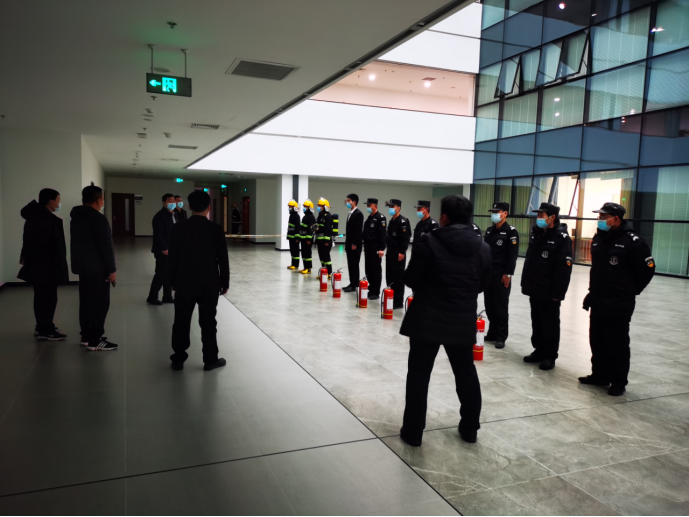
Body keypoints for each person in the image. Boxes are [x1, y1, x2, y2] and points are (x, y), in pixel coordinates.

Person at [400, 195, 491, 447]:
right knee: (465, 373)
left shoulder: (428, 242)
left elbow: (411, 279)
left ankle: (413, 432)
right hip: (461, 320)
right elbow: (482, 284)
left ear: (444, 217)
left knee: (419, 375)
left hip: (426, 320)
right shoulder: (483, 248)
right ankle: (470, 429)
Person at [580, 203, 655, 397]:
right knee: (597, 340)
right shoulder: (600, 237)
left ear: (616, 218)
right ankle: (600, 375)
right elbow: (598, 270)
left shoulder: (632, 241)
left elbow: (647, 270)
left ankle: (618, 382)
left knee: (617, 344)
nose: (600, 220)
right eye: (600, 217)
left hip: (618, 303)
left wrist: (629, 291)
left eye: (604, 217)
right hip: (598, 299)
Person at [169, 190, 230, 372]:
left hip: (184, 283)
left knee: (181, 321)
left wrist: (171, 281)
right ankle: (210, 360)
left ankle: (178, 359)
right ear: (208, 207)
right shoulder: (216, 229)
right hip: (209, 284)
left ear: (189, 206)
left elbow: (172, 258)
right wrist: (224, 282)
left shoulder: (178, 228)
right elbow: (223, 259)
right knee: (208, 322)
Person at [521, 203, 573, 371]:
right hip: (535, 287)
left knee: (550, 323)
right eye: (538, 215)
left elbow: (563, 269)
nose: (539, 218)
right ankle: (539, 350)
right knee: (537, 321)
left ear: (552, 217)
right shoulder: (537, 234)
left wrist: (558, 292)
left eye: (542, 215)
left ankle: (550, 355)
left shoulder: (561, 238)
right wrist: (526, 283)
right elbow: (530, 260)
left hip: (550, 290)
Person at [70, 184, 118, 351]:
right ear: (98, 200)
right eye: (103, 199)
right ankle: (95, 339)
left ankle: (86, 335)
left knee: (86, 302)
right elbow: (106, 246)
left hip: (83, 267)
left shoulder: (77, 217)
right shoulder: (98, 219)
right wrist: (112, 270)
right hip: (97, 269)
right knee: (99, 303)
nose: (103, 202)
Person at [18, 188, 69, 341]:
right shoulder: (45, 220)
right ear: (51, 201)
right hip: (46, 266)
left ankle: (43, 325)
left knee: (42, 297)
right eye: (58, 200)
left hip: (40, 265)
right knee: (47, 298)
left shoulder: (35, 217)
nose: (59, 204)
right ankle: (45, 329)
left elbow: (28, 241)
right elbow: (45, 245)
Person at [484, 202, 519, 350]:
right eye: (493, 212)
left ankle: (501, 336)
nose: (494, 214)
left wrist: (508, 273)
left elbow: (512, 255)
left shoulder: (511, 232)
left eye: (497, 212)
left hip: (501, 273)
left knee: (500, 306)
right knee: (489, 305)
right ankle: (492, 333)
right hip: (488, 273)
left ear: (505, 213)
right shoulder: (490, 231)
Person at [147, 193, 177, 305]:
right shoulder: (160, 216)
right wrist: (164, 247)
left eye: (173, 200)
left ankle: (167, 296)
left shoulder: (172, 214)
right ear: (164, 202)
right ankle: (152, 297)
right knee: (160, 273)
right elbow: (158, 234)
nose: (172, 202)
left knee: (168, 274)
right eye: (169, 200)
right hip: (162, 250)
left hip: (171, 248)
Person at [385, 199, 411, 310]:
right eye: (390, 206)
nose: (390, 208)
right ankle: (390, 297)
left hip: (398, 252)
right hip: (390, 252)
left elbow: (405, 238)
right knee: (389, 275)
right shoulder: (392, 221)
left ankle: (398, 301)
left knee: (398, 277)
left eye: (393, 206)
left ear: (398, 208)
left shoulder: (403, 221)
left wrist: (402, 251)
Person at [362, 198, 387, 301]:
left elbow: (383, 234)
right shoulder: (369, 217)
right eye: (367, 205)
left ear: (375, 206)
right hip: (368, 247)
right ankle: (371, 288)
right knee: (368, 269)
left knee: (375, 270)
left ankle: (375, 292)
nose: (368, 207)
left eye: (369, 205)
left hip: (375, 247)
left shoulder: (380, 218)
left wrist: (381, 248)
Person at [343, 194, 363, 293]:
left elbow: (358, 231)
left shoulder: (358, 214)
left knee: (354, 265)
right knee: (350, 264)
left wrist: (354, 244)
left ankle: (354, 285)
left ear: (354, 202)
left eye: (349, 200)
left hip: (354, 245)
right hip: (349, 244)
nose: (347, 202)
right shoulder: (350, 213)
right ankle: (352, 283)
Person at [315, 198, 334, 277]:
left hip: (325, 242)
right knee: (321, 257)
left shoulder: (328, 216)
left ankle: (329, 273)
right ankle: (324, 272)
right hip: (319, 241)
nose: (319, 207)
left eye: (320, 206)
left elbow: (328, 229)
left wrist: (327, 241)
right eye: (318, 205)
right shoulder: (320, 216)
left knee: (326, 258)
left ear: (325, 207)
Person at [299, 199, 316, 274]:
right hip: (303, 239)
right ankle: (305, 267)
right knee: (304, 253)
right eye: (304, 206)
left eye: (305, 207)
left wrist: (309, 239)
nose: (304, 208)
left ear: (309, 208)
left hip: (307, 239)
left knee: (308, 253)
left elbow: (311, 229)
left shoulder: (311, 217)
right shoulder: (305, 216)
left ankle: (308, 268)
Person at [286, 199, 301, 270]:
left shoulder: (297, 216)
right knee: (292, 251)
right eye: (289, 206)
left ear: (294, 207)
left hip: (295, 238)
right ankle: (293, 264)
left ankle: (296, 265)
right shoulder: (291, 215)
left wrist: (297, 238)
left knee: (295, 251)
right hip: (291, 237)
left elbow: (297, 228)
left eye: (291, 207)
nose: (289, 208)